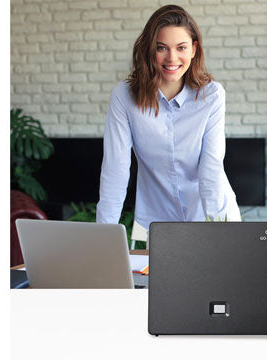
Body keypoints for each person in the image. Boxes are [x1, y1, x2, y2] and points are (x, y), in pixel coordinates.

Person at [96, 5, 241, 240]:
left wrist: (220, 234)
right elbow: (115, 169)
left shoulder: (212, 95)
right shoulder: (124, 96)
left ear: (194, 49)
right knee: (148, 278)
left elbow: (211, 169)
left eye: (181, 47)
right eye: (161, 48)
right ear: (149, 50)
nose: (172, 58)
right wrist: (102, 238)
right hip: (154, 223)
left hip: (209, 216)